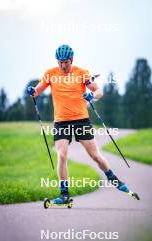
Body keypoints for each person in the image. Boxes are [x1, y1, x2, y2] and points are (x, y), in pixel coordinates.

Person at [26, 44, 140, 204]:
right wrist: (32, 91)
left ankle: (113, 179)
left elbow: (99, 91)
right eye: (60, 62)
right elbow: (37, 91)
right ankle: (64, 194)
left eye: (65, 62)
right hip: (61, 122)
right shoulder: (50, 74)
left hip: (81, 120)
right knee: (62, 154)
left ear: (71, 60)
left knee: (95, 156)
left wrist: (91, 95)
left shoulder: (81, 73)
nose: (63, 65)